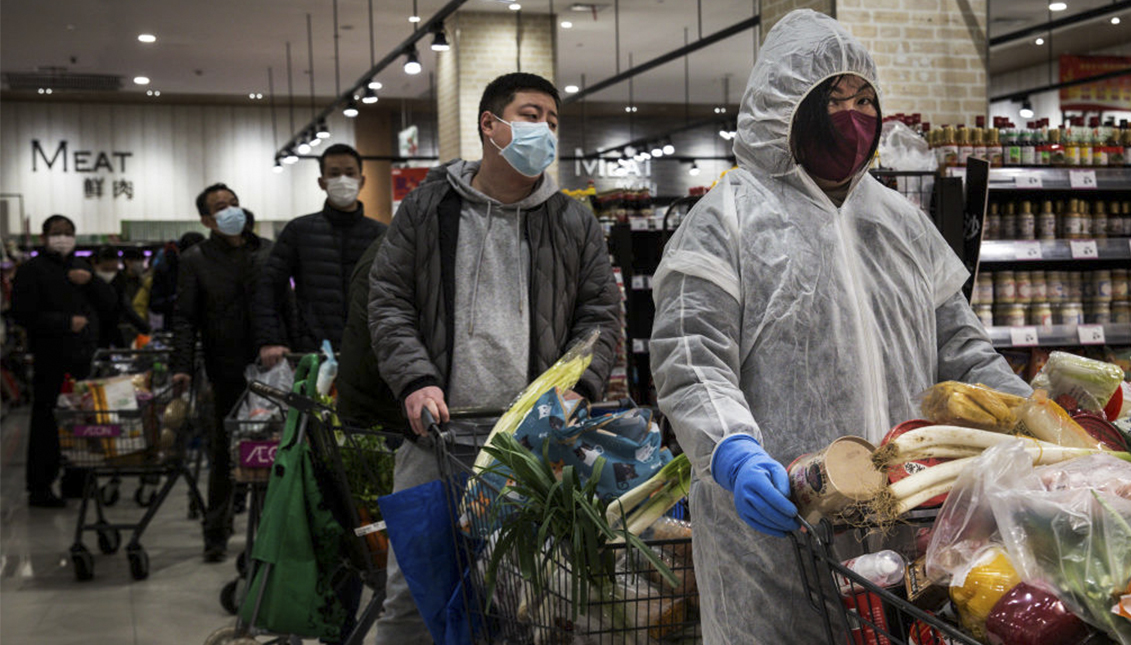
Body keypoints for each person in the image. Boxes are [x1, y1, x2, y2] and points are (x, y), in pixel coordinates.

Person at [648, 10, 1033, 644]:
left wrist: (1033, 422)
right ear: (786, 109)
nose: (852, 117)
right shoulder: (731, 219)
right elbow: (692, 358)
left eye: (864, 99)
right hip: (778, 536)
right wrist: (733, 452)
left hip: (906, 526)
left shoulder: (900, 223)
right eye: (832, 100)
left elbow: (963, 349)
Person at [368, 71, 621, 644]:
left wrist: (580, 389)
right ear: (491, 124)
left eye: (553, 121)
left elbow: (601, 314)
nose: (545, 130)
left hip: (532, 447)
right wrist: (414, 379)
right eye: (532, 115)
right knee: (414, 596)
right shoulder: (427, 208)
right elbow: (388, 301)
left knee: (528, 595)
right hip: (436, 436)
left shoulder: (572, 219)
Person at [171, 184, 274, 561]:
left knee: (271, 450)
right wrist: (181, 366)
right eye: (220, 207)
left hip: (272, 371)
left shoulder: (265, 251)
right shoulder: (195, 260)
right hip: (225, 367)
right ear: (205, 219)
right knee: (224, 453)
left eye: (233, 203)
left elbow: (285, 304)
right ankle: (216, 531)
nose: (230, 211)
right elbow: (184, 319)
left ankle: (271, 533)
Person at [11, 214, 116, 507]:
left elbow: (110, 305)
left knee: (82, 421)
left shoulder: (81, 267)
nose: (63, 237)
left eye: (69, 232)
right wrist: (64, 322)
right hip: (50, 358)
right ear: (44, 237)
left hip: (84, 359)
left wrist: (92, 281)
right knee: (47, 422)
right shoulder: (32, 270)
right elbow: (21, 313)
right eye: (57, 232)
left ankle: (77, 481)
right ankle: (40, 487)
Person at [254, 144, 385, 364]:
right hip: (312, 352)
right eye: (334, 174)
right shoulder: (299, 231)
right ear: (321, 182)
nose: (343, 179)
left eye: (350, 173)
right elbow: (268, 286)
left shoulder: (382, 235)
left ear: (362, 180)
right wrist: (270, 339)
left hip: (371, 351)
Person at [92, 246, 150, 348]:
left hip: (114, 331)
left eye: (114, 260)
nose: (112, 264)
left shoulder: (119, 282)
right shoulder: (88, 282)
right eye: (108, 261)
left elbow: (126, 308)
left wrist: (145, 329)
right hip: (93, 334)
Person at [147, 232, 206, 331]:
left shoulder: (209, 271)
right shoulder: (166, 271)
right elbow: (154, 305)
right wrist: (177, 300)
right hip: (176, 328)